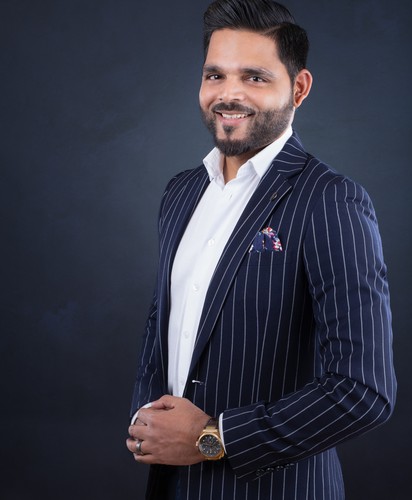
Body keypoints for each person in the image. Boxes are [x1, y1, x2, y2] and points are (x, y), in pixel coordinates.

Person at [126, 0, 396, 498]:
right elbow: (163, 317)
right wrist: (146, 414)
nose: (228, 94)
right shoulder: (181, 192)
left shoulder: (329, 200)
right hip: (170, 484)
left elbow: (363, 390)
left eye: (254, 77)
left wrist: (212, 439)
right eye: (215, 75)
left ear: (299, 88)